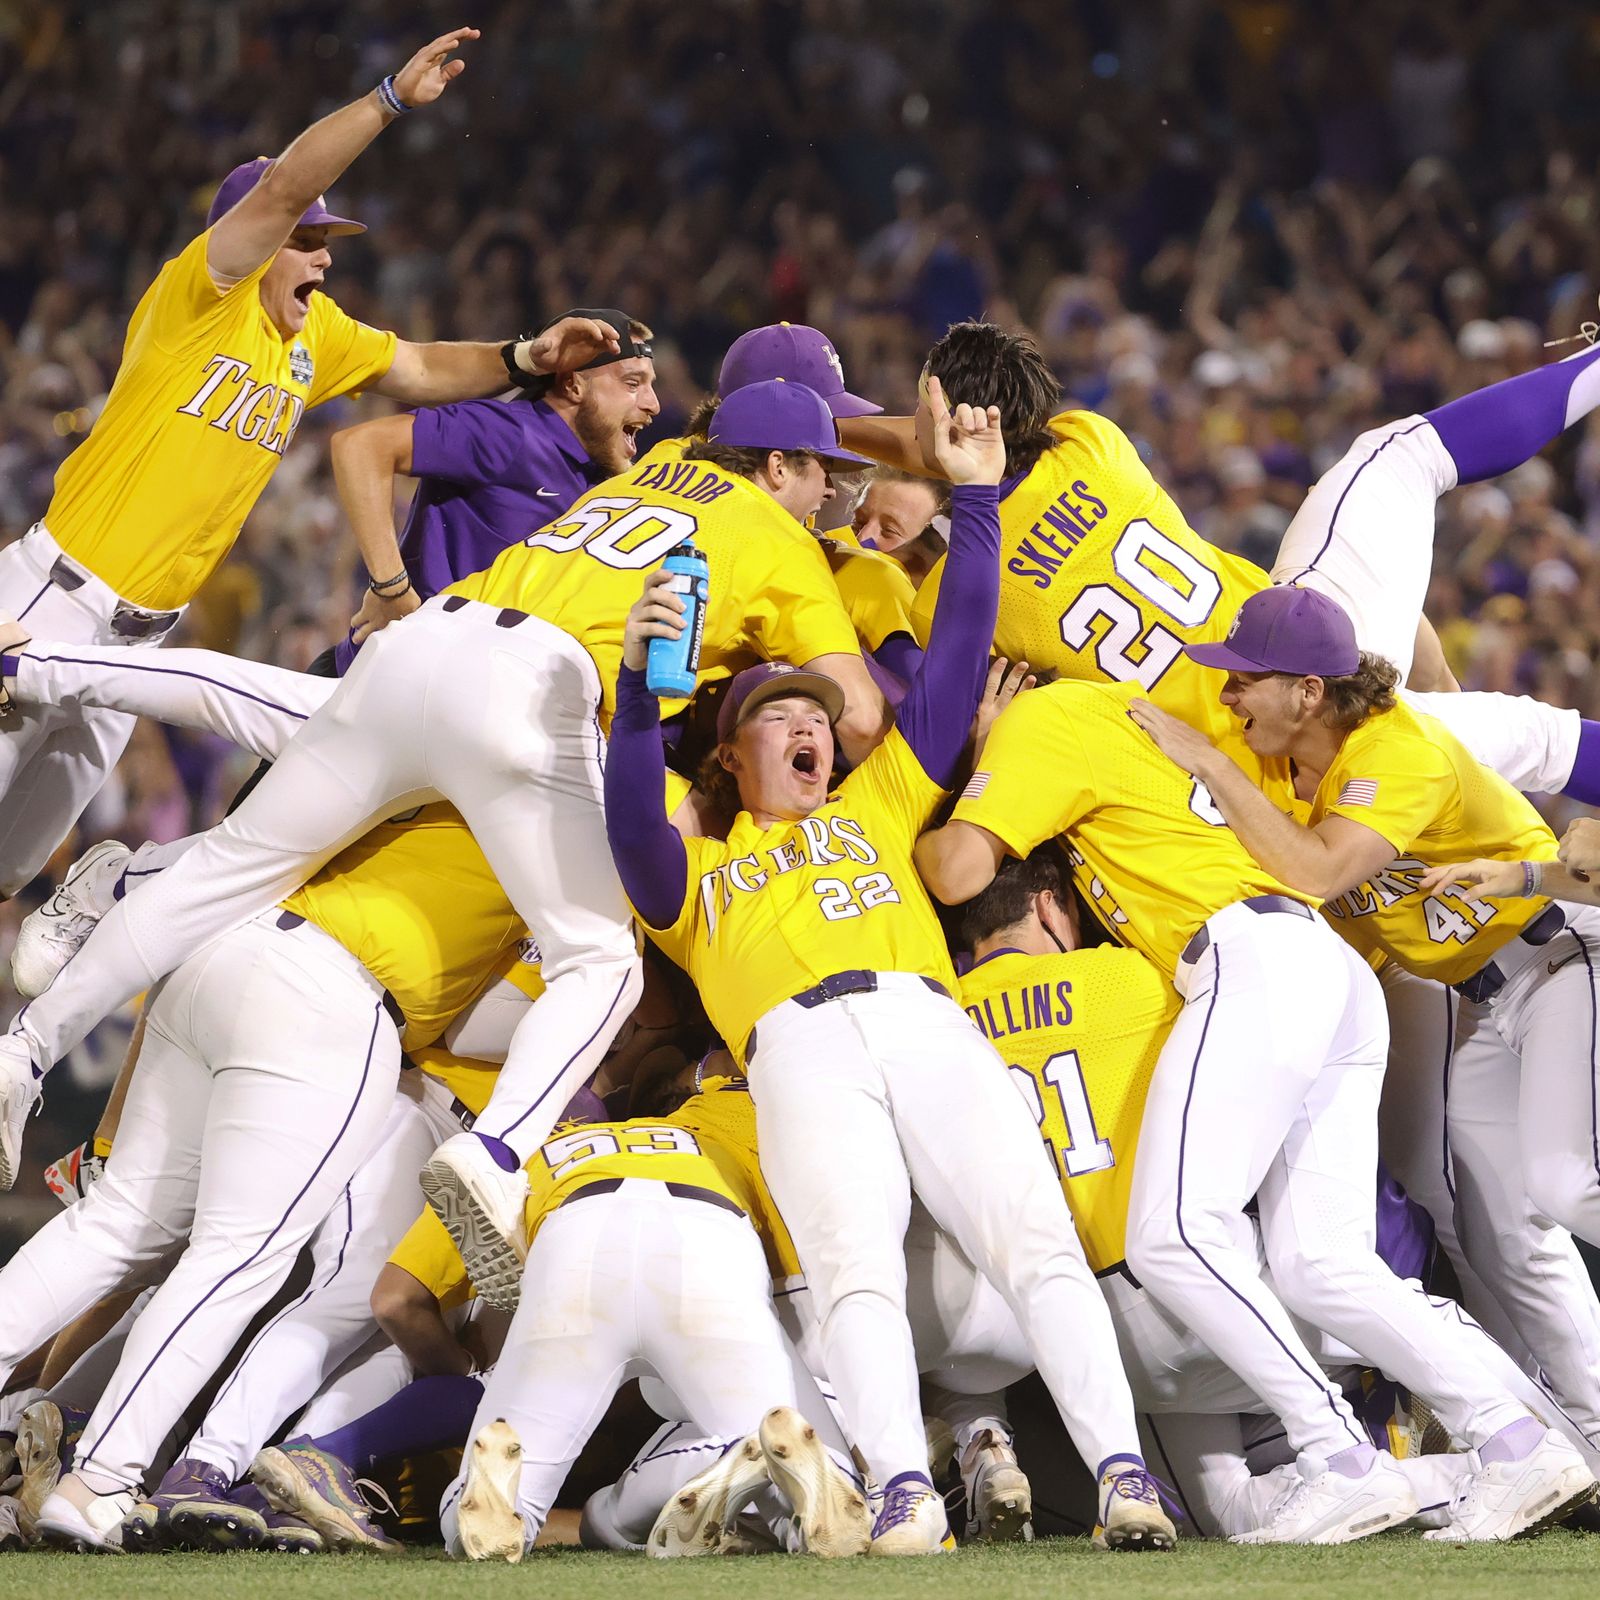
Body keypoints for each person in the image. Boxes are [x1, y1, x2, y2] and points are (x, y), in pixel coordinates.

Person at [0, 382, 881, 1334]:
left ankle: (26, 1039)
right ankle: (497, 1155)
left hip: (430, 643)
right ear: (778, 464)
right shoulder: (780, 537)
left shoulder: (651, 473)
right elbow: (862, 714)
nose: (831, 494)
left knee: (229, 849)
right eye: (822, 470)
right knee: (599, 963)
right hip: (533, 699)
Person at [602, 378, 1172, 1556]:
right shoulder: (696, 869)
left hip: (922, 1017)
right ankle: (904, 1490)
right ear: (732, 748)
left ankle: (1124, 1476)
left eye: (816, 709)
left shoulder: (878, 799)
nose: (812, 721)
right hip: (795, 1047)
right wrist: (629, 695)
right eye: (781, 715)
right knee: (852, 1267)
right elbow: (625, 816)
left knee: (1031, 1235)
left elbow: (960, 648)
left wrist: (975, 504)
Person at [913, 664, 1595, 1543]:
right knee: (1323, 1265)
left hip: (1250, 955)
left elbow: (956, 869)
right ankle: (1519, 1442)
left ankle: (1339, 1456)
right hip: (1319, 962)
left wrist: (979, 754)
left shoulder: (1050, 715)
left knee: (1173, 1232)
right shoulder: (1154, 722)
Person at [0, 26, 611, 895]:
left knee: (13, 868)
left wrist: (526, 357)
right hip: (49, 601)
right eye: (306, 236)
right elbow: (288, 183)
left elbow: (422, 368)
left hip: (140, 642)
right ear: (254, 239)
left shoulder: (313, 335)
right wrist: (389, 100)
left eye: (329, 238)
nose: (324, 253)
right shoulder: (200, 294)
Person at [839, 320, 1600, 803]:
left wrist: (796, 423)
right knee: (1397, 455)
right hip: (1322, 644)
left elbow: (939, 454)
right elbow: (954, 441)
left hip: (1252, 768)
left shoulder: (944, 602)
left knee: (1529, 738)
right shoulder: (1090, 444)